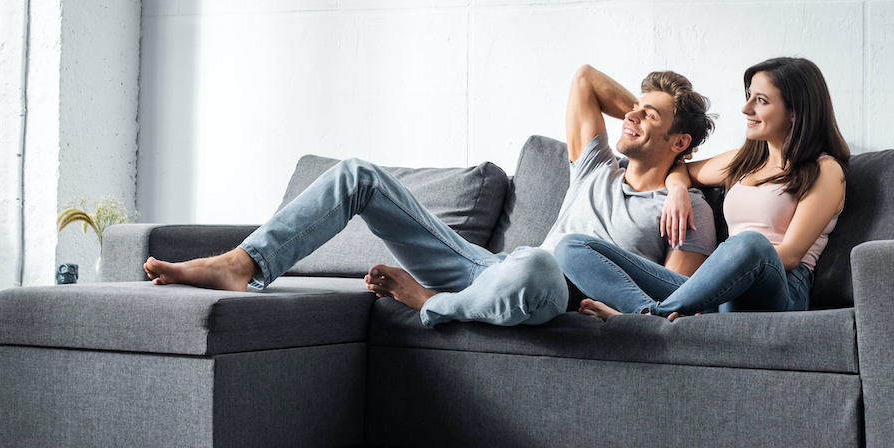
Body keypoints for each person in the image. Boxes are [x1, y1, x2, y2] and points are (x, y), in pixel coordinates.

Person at [141, 65, 718, 328]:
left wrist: (679, 179)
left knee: (543, 262)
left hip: (548, 292)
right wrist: (655, 134)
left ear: (681, 139)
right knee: (358, 174)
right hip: (490, 267)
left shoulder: (687, 210)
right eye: (635, 106)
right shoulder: (594, 165)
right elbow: (585, 79)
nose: (634, 115)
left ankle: (429, 305)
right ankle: (243, 264)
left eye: (653, 113)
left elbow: (675, 301)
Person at [555, 56, 848, 321]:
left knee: (750, 243)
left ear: (795, 111)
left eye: (760, 100)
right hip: (721, 292)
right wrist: (678, 192)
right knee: (572, 247)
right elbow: (680, 169)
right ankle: (641, 313)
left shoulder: (825, 170)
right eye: (748, 97)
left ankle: (657, 314)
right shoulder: (744, 160)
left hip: (779, 288)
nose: (746, 108)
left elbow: (792, 254)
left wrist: (725, 265)